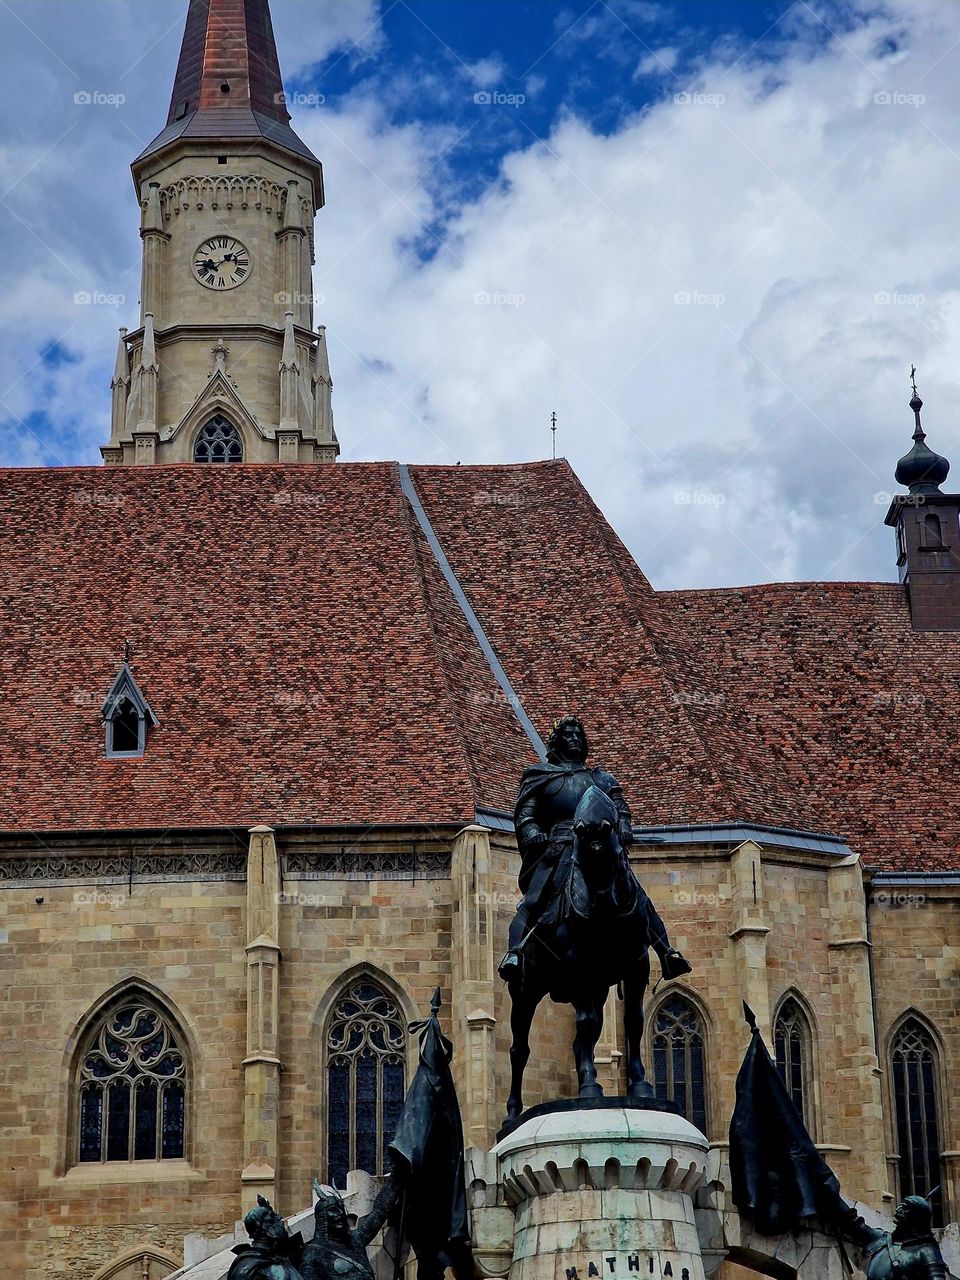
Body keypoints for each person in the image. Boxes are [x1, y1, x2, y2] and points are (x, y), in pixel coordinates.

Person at [498, 714, 691, 981]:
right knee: (531, 903)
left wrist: (624, 827)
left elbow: (620, 809)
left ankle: (667, 952)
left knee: (639, 898)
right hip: (559, 850)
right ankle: (515, 953)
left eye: (578, 734)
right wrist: (534, 833)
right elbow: (525, 816)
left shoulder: (602, 779)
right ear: (556, 743)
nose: (574, 738)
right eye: (568, 734)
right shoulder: (539, 777)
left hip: (600, 849)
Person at [227, 1196, 306, 1280]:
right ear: (264, 1227)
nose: (279, 1218)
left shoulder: (280, 1259)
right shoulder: (249, 1270)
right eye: (272, 1217)